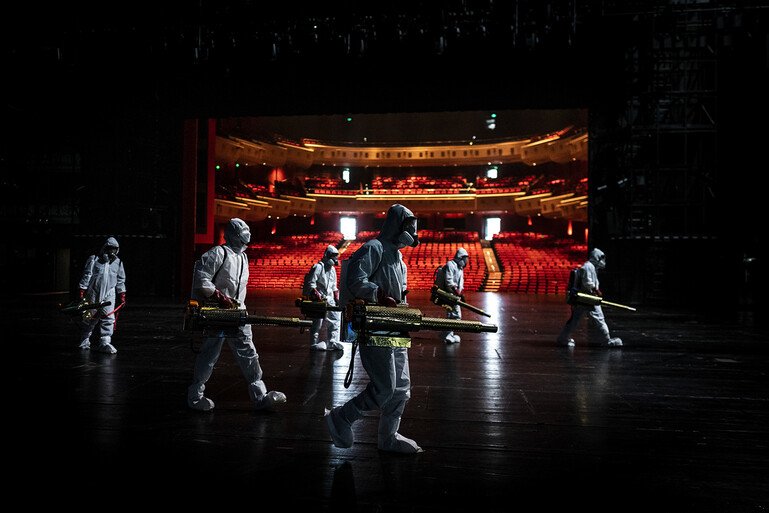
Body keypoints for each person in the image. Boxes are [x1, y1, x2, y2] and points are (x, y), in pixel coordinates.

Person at [324, 203, 423, 454]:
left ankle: (388, 437)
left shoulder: (399, 258)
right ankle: (342, 417)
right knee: (385, 387)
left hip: (395, 328)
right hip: (374, 328)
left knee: (401, 387)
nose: (412, 231)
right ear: (396, 224)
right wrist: (378, 294)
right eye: (408, 226)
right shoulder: (373, 248)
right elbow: (356, 281)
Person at [187, 217, 287, 412]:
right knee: (209, 355)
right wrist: (218, 295)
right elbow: (201, 278)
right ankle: (195, 396)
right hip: (217, 312)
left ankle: (260, 396)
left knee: (249, 353)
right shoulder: (218, 253)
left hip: (238, 312)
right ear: (234, 235)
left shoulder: (243, 257)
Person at [557, 248, 623, 348]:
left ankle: (563, 338)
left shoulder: (592, 267)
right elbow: (587, 283)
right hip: (587, 299)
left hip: (585, 299)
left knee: (575, 319)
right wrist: (597, 291)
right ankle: (606, 340)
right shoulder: (588, 267)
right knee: (599, 319)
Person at [77, 236, 126, 354]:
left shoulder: (118, 263)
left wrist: (122, 293)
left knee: (108, 318)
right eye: (110, 248)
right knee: (89, 317)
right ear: (105, 248)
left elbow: (120, 279)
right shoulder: (94, 260)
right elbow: (87, 274)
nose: (112, 252)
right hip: (93, 292)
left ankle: (105, 342)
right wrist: (82, 288)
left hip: (109, 293)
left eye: (115, 249)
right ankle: (84, 339)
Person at [303, 245, 343, 352]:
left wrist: (337, 298)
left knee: (335, 319)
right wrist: (316, 293)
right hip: (319, 299)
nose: (335, 259)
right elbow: (311, 283)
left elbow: (334, 286)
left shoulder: (333, 269)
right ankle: (313, 343)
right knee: (317, 321)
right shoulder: (318, 267)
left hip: (330, 299)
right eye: (333, 256)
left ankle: (332, 341)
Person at [435, 247, 469, 344]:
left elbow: (460, 282)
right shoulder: (451, 264)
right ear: (460, 257)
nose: (466, 261)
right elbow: (449, 280)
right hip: (448, 293)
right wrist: (456, 291)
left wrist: (460, 293)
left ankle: (448, 334)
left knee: (452, 315)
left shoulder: (460, 268)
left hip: (454, 295)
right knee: (454, 315)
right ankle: (446, 335)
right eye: (465, 259)